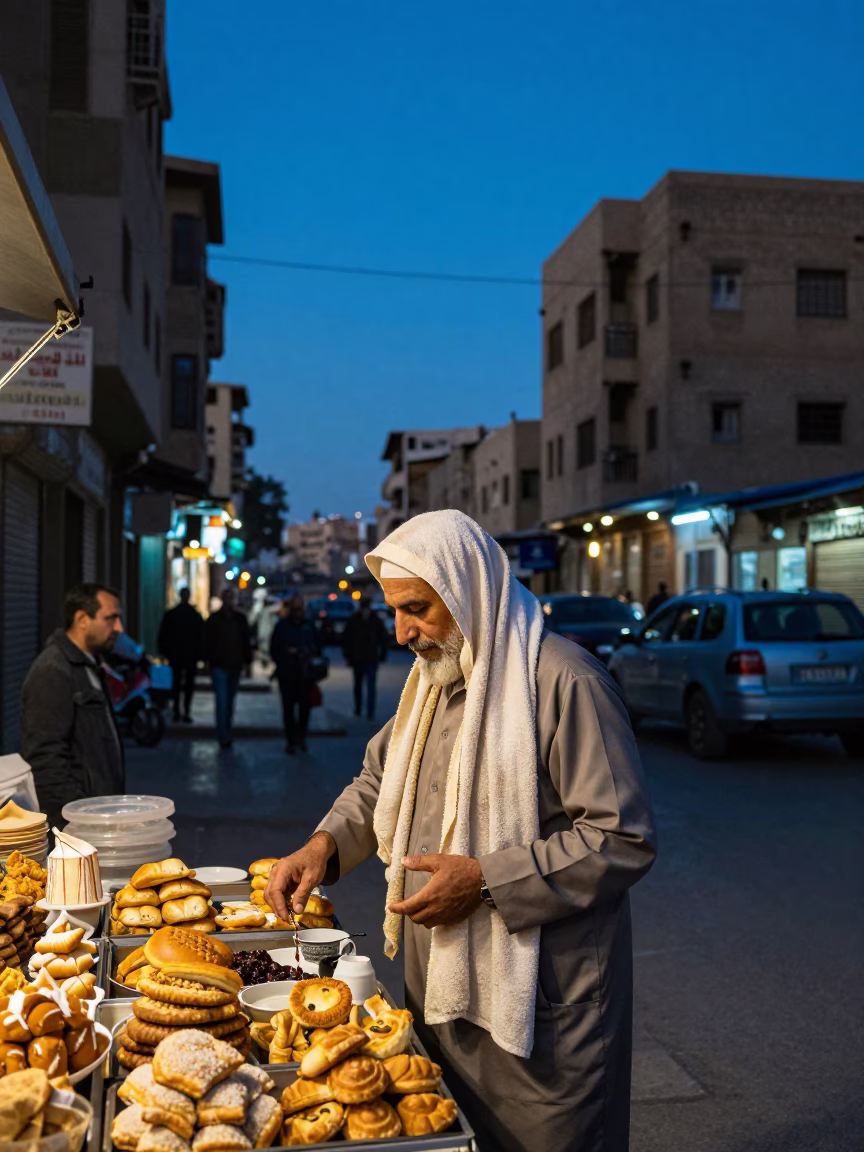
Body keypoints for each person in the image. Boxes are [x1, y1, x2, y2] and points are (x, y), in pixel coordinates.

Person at [265, 511, 656, 1152]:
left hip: (545, 1005)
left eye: (416, 608)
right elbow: (378, 782)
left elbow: (622, 836)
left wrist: (485, 882)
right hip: (442, 991)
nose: (401, 632)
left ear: (468, 589)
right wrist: (322, 846)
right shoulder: (435, 683)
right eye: (394, 611)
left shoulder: (563, 682)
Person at [20, 583, 125, 832]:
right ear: (82, 619)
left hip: (100, 819)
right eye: (111, 618)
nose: (119, 628)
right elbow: (46, 762)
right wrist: (81, 822)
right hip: (80, 831)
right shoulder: (53, 671)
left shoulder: (89, 664)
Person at [204, 587, 252, 749]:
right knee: (222, 701)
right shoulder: (215, 620)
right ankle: (223, 734)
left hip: (235, 665)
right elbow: (207, 642)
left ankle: (226, 730)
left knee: (229, 702)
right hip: (220, 665)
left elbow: (246, 642)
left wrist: (247, 662)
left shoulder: (240, 620)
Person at [270, 596, 319, 754]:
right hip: (287, 674)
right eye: (296, 609)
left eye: (300, 609)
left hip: (305, 675)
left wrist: (307, 653)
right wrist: (286, 655)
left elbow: (318, 646)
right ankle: (291, 740)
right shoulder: (282, 626)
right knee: (288, 710)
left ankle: (301, 738)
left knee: (305, 709)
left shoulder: (309, 626)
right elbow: (274, 649)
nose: (298, 612)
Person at [157, 587, 204, 723]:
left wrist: (163, 651)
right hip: (189, 655)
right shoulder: (194, 615)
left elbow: (163, 635)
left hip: (176, 655)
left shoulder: (172, 614)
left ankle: (177, 710)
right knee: (188, 685)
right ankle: (185, 711)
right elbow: (200, 636)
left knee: (176, 683)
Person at [341, 598, 389, 720]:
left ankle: (370, 712)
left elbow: (383, 638)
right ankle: (358, 709)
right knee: (358, 686)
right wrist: (348, 656)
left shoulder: (375, 620)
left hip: (371, 658)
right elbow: (346, 639)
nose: (365, 612)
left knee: (370, 686)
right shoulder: (354, 620)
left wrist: (383, 655)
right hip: (358, 658)